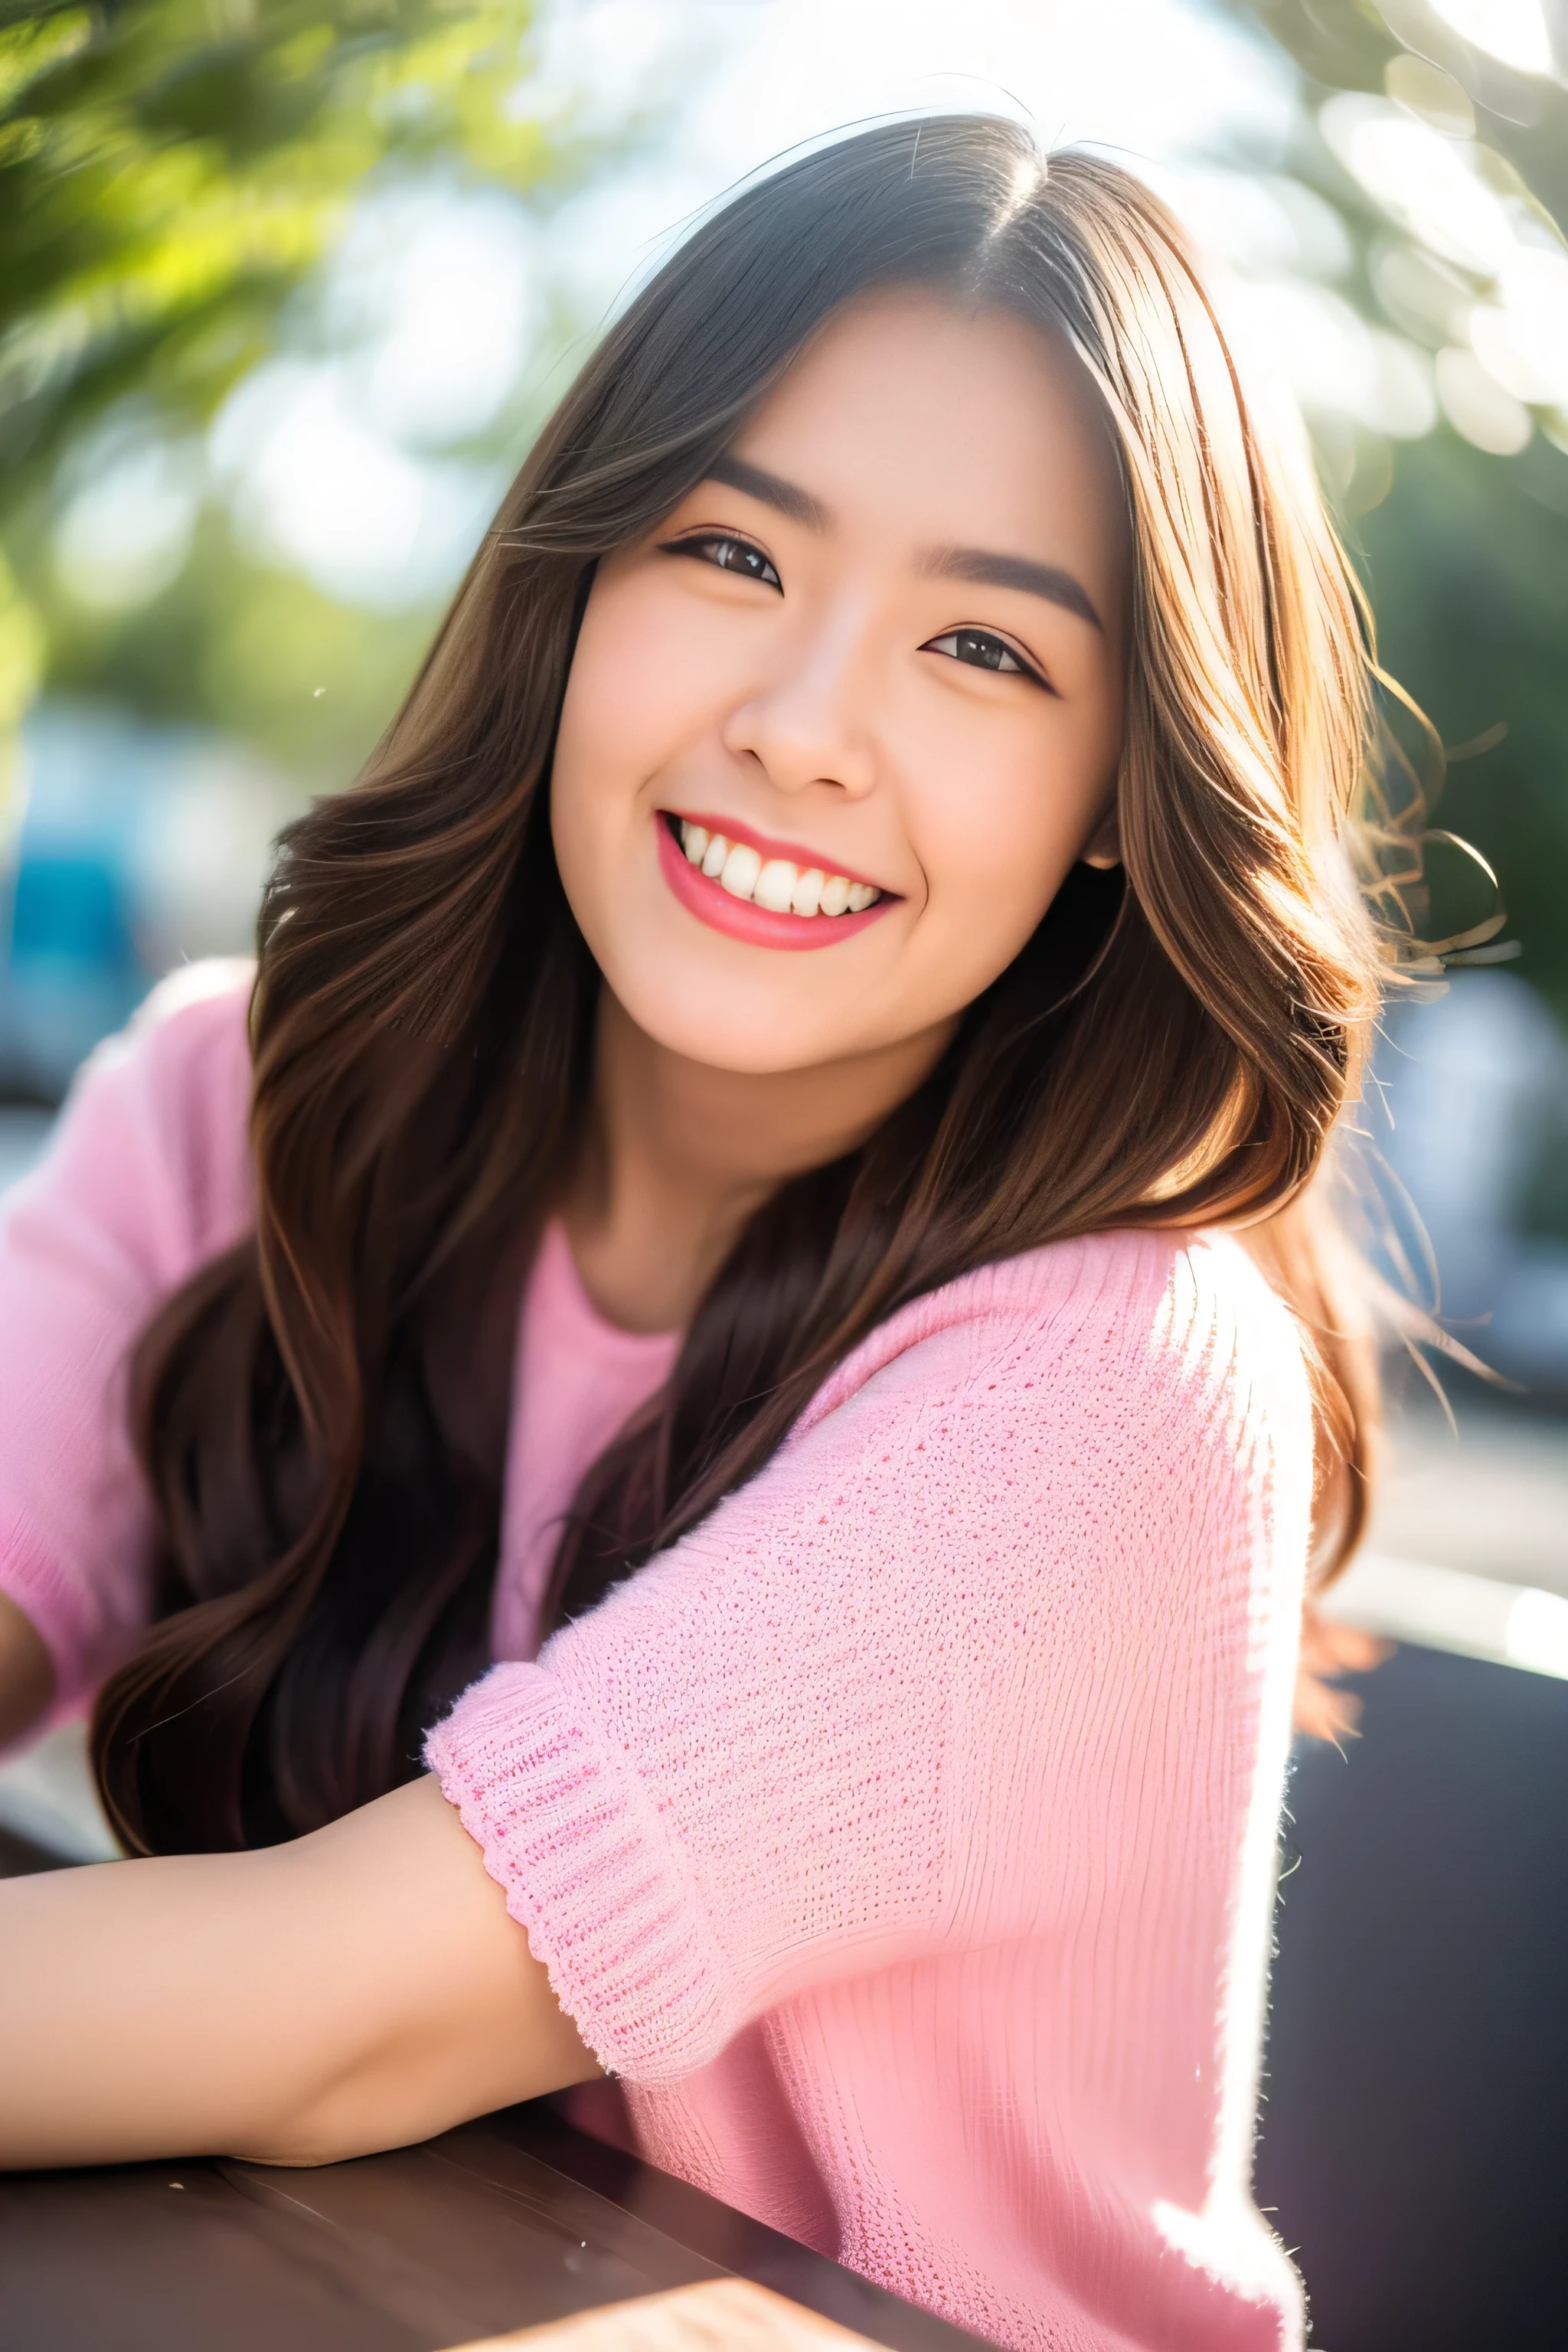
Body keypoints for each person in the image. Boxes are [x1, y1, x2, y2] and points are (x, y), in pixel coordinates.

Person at [0, 116, 1396, 2352]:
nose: (805, 729)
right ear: (574, 574)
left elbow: (320, 2015)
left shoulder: (1121, 1385)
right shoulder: (236, 1101)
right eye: (733, 554)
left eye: (983, 649)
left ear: (1132, 799)